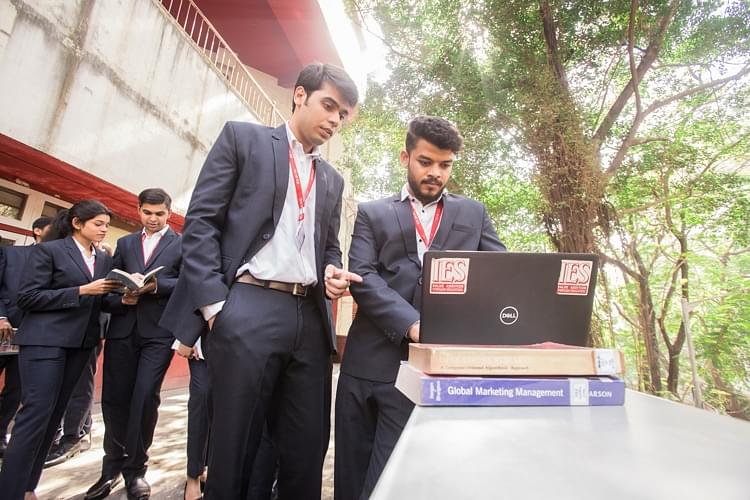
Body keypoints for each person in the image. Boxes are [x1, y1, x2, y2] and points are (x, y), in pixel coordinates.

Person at [160, 62, 360, 500]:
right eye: (329, 105)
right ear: (300, 95)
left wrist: (331, 271)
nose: (335, 120)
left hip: (310, 317)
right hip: (246, 304)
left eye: (342, 114)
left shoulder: (332, 179)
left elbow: (329, 246)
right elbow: (201, 224)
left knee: (306, 447)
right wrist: (216, 307)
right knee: (234, 446)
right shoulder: (243, 139)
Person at [334, 116, 507, 499]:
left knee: (395, 482)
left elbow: (499, 274)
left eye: (445, 165)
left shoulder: (474, 214)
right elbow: (363, 276)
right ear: (405, 157)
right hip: (367, 364)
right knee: (351, 479)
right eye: (426, 162)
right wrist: (412, 324)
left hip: (433, 370)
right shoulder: (372, 213)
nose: (435, 173)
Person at [0, 201, 119, 500]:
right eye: (98, 224)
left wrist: (124, 298)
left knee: (54, 417)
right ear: (77, 223)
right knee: (35, 414)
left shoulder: (103, 259)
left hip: (81, 345)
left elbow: (101, 301)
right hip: (45, 341)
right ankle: (9, 490)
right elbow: (28, 297)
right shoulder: (49, 251)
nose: (104, 229)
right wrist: (82, 290)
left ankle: (28, 487)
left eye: (106, 225)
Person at [84, 188, 182, 500]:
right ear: (138, 210)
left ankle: (136, 470)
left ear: (168, 213)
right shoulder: (125, 244)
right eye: (147, 213)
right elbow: (110, 289)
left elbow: (187, 282)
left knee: (144, 397)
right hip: (123, 329)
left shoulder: (182, 243)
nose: (153, 219)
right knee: (115, 399)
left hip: (159, 333)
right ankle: (110, 467)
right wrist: (122, 298)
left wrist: (155, 286)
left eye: (159, 214)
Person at [0, 216, 52, 457]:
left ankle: (1, 433)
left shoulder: (57, 261)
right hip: (4, 328)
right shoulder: (11, 254)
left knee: (15, 391)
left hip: (31, 336)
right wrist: (1, 317)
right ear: (37, 231)